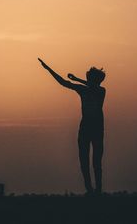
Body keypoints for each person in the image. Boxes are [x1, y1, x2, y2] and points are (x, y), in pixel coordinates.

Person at [38, 58, 106, 195]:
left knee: (96, 162)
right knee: (84, 160)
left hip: (97, 129)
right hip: (85, 128)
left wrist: (76, 78)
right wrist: (48, 69)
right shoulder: (83, 89)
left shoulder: (101, 91)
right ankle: (90, 190)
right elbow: (64, 83)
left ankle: (98, 190)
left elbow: (93, 87)